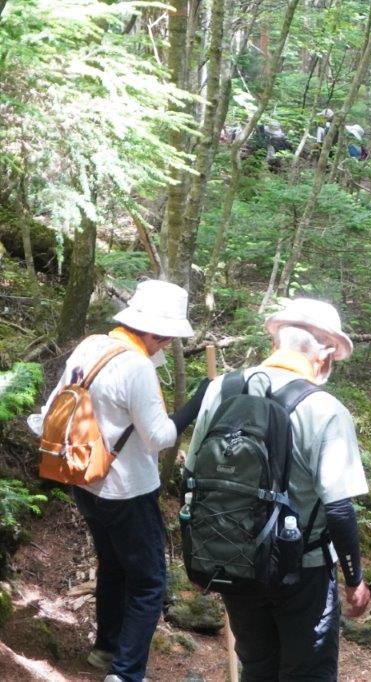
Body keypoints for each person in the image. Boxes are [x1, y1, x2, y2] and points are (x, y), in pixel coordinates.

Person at [29, 280, 207, 682]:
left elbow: (56, 402)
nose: (165, 346)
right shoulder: (137, 365)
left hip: (83, 477)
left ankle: (105, 650)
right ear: (155, 332)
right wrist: (196, 401)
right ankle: (125, 674)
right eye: (165, 340)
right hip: (126, 489)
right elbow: (160, 438)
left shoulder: (93, 345)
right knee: (149, 584)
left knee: (113, 565)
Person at [184, 298, 371, 681]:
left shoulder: (221, 389)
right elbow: (338, 509)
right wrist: (354, 580)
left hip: (234, 559)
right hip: (303, 570)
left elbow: (192, 478)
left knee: (257, 666)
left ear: (276, 344)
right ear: (324, 355)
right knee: (307, 672)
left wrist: (199, 548)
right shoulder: (326, 409)